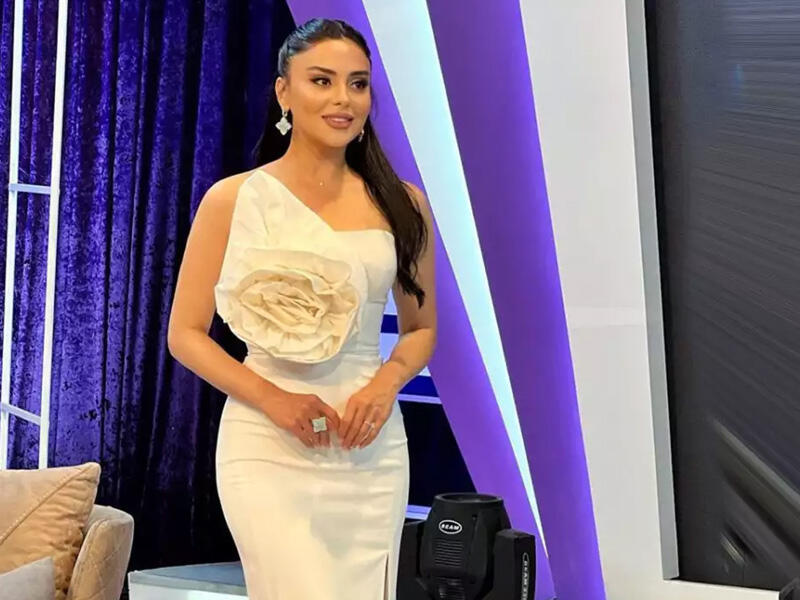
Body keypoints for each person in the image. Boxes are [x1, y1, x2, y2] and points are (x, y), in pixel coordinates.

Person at [167, 17, 437, 600]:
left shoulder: (403, 203)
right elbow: (185, 334)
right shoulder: (234, 199)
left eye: (358, 84)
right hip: (267, 442)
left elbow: (421, 329)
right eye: (322, 80)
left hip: (370, 448)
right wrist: (276, 400)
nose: (343, 99)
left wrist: (385, 384)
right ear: (284, 92)